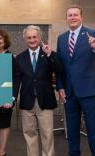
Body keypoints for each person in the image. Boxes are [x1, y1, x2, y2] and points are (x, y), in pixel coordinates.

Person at [13, 25, 62, 156]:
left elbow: (59, 69)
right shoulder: (20, 58)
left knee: (47, 134)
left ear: (40, 38)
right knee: (29, 134)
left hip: (45, 101)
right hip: (27, 102)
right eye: (29, 37)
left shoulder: (48, 53)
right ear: (25, 39)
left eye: (34, 37)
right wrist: (12, 97)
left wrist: (50, 54)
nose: (32, 40)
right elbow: (17, 80)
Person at [56, 5, 95, 155]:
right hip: (69, 92)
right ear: (66, 19)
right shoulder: (62, 38)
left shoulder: (92, 34)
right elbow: (60, 65)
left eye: (75, 15)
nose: (72, 17)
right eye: (69, 15)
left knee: (93, 130)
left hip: (89, 91)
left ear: (81, 17)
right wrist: (60, 87)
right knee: (71, 130)